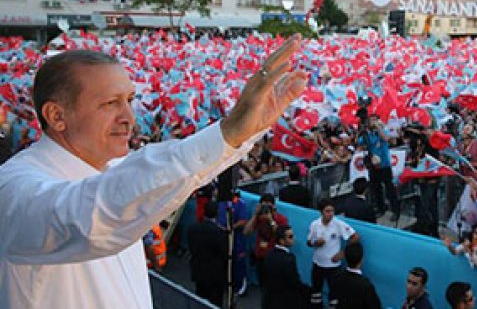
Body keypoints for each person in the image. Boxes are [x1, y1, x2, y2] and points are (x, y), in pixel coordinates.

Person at [0, 36, 307, 308]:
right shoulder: (15, 188)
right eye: (110, 103)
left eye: (130, 100)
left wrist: (242, 134)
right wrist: (225, 134)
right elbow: (89, 216)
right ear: (56, 115)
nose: (129, 118)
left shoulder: (116, 169)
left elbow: (183, 175)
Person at [307, 198, 360, 309]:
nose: (331, 214)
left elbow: (355, 237)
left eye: (332, 211)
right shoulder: (314, 224)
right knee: (316, 293)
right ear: (321, 212)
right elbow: (309, 242)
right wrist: (315, 243)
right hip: (318, 264)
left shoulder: (338, 224)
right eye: (327, 211)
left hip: (334, 268)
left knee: (335, 297)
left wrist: (342, 253)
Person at [244, 192, 288, 304]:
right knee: (263, 287)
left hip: (274, 258)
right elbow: (246, 231)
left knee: (276, 288)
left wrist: (271, 220)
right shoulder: (259, 218)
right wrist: (255, 215)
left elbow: (281, 236)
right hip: (261, 256)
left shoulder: (281, 219)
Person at [188, 200, 228, 307]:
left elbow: (191, 247)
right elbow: (225, 255)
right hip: (215, 275)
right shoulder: (220, 233)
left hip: (198, 270)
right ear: (217, 213)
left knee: (200, 300)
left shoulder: (193, 229)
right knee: (215, 303)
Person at [358, 114, 398, 218]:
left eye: (375, 120)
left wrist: (378, 127)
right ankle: (381, 208)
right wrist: (362, 131)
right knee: (376, 188)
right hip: (373, 165)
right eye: (371, 120)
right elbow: (359, 143)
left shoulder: (382, 130)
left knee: (390, 188)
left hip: (384, 164)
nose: (373, 122)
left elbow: (385, 138)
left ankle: (395, 210)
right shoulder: (368, 134)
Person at [262, 225, 310, 309]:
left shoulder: (268, 254)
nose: (294, 238)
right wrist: (306, 290)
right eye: (290, 236)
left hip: (269, 299)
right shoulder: (289, 259)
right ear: (282, 241)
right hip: (286, 301)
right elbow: (295, 281)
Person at [217, 189, 250, 296]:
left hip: (236, 238)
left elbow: (243, 221)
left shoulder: (240, 204)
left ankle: (240, 287)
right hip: (223, 237)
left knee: (238, 263)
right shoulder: (221, 202)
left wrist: (231, 227)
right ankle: (227, 285)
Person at [328, 242, 381, 309]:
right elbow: (375, 306)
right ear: (361, 260)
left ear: (346, 258)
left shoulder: (336, 278)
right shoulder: (366, 285)